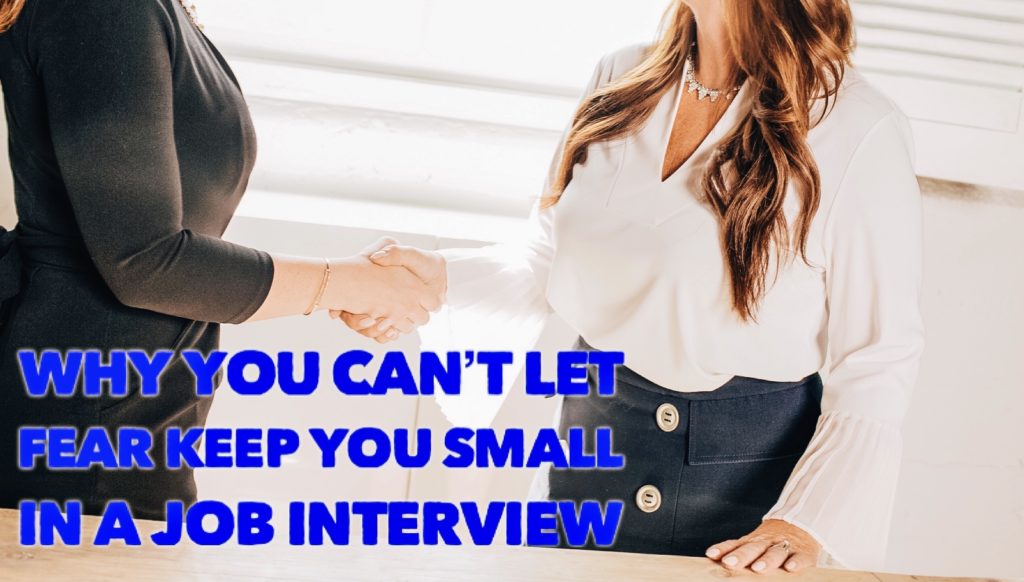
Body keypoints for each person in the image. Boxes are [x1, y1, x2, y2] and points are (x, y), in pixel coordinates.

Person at [340, 0, 925, 574]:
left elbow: (878, 356)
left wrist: (804, 520)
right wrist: (437, 279)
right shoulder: (621, 76)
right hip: (588, 455)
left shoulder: (856, 125)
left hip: (747, 497)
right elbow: (550, 255)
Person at [0, 0, 442, 520]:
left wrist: (354, 282)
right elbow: (143, 258)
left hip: (136, 392)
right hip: (90, 404)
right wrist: (346, 284)